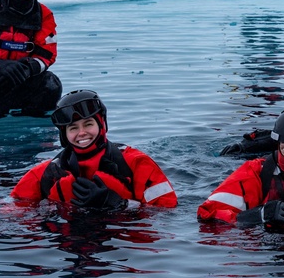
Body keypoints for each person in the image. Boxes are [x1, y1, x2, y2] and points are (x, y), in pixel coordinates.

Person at [11, 90, 178, 211]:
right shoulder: (45, 174)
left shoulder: (136, 163)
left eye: (88, 124)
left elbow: (167, 211)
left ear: (102, 124)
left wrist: (118, 203)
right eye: (73, 128)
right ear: (64, 134)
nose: (82, 133)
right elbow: (11, 212)